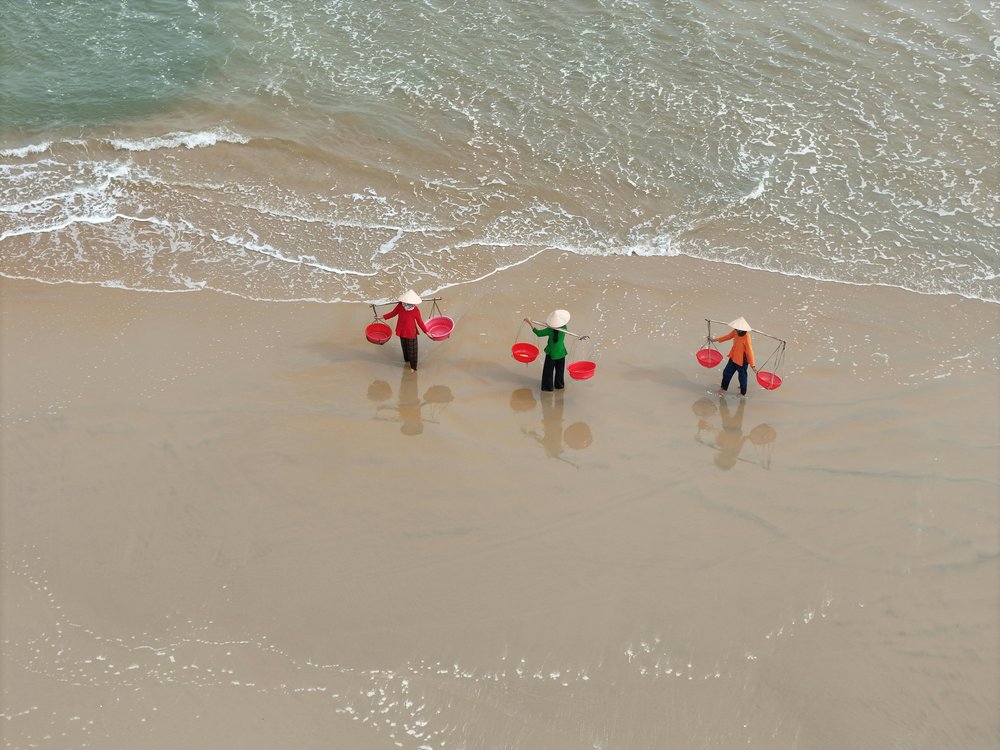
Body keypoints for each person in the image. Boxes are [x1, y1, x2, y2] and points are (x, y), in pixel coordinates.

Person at [523, 309, 570, 392]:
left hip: (551, 354)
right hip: (561, 353)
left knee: (548, 372)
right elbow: (559, 327)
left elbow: (538, 333)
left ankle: (548, 387)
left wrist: (530, 322)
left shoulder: (549, 330)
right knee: (560, 371)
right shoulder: (564, 328)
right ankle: (559, 386)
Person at [383, 290, 430, 371]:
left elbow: (420, 322)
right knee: (404, 347)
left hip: (411, 332)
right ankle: (407, 360)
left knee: (413, 351)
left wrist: (427, 332)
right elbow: (392, 313)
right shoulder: (400, 306)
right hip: (401, 330)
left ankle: (413, 367)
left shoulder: (415, 310)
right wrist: (382, 317)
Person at [711, 317, 756, 397]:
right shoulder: (735, 332)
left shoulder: (747, 337)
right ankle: (723, 388)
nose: (737, 330)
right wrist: (715, 340)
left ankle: (742, 393)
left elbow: (749, 351)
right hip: (733, 357)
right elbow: (728, 336)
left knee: (742, 377)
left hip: (742, 361)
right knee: (726, 373)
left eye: (738, 329)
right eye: (736, 328)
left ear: (743, 329)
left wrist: (753, 365)